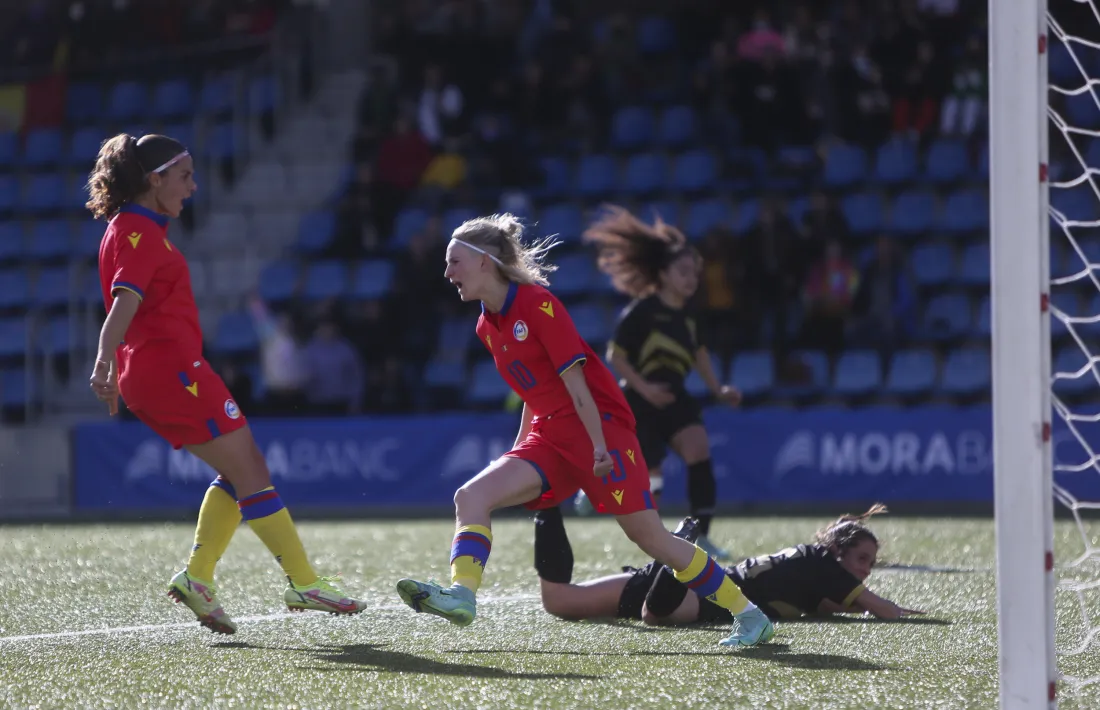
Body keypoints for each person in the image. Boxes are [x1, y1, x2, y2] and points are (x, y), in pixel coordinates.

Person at [395, 214, 775, 648]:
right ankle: (462, 595)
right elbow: (532, 393)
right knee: (470, 496)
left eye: (454, 261)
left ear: (485, 262)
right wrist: (519, 451)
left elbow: (579, 387)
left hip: (601, 431)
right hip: (550, 435)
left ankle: (749, 615)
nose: (447, 273)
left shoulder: (538, 305)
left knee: (650, 538)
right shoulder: (487, 325)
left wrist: (598, 448)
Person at [87, 133, 365, 635]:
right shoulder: (137, 231)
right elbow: (123, 302)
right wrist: (103, 360)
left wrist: (111, 362)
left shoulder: (135, 226)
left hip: (167, 370)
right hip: (170, 372)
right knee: (252, 468)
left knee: (242, 470)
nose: (193, 187)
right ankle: (304, 582)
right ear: (155, 180)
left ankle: (198, 577)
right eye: (185, 176)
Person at [578, 207, 740, 560]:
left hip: (675, 396)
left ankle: (701, 537)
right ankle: (604, 496)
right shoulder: (641, 311)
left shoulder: (691, 315)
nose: (691, 279)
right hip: (639, 399)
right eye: (683, 271)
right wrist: (643, 388)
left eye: (694, 273)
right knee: (649, 473)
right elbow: (615, 356)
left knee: (699, 449)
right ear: (663, 274)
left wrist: (718, 389)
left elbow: (699, 353)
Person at [532, 504, 924, 624]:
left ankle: (545, 505)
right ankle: (678, 560)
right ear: (838, 552)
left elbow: (833, 604)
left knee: (559, 602)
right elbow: (881, 610)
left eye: (870, 563)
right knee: (656, 616)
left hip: (688, 579)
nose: (866, 570)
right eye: (861, 559)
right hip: (702, 596)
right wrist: (915, 615)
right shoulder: (825, 566)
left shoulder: (815, 567)